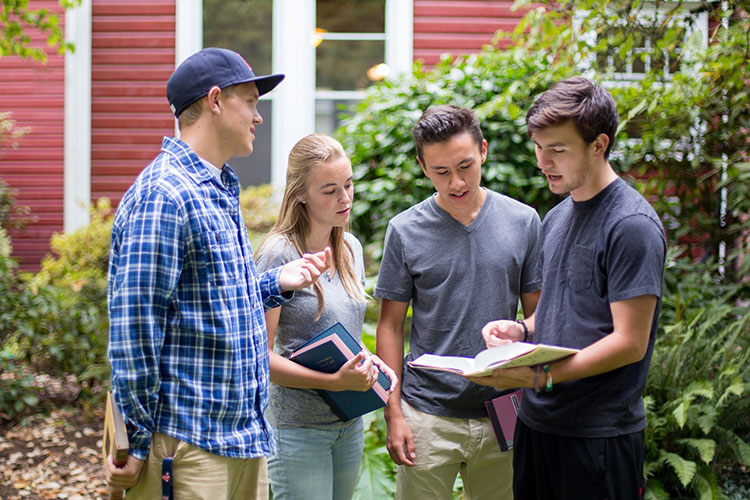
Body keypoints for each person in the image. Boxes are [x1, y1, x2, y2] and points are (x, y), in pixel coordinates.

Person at [104, 47, 332, 500]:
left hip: (241, 442)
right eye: (250, 101)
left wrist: (273, 284)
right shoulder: (165, 195)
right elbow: (135, 330)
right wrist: (134, 439)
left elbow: (209, 301)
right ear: (214, 100)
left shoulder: (217, 186)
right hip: (187, 449)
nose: (258, 116)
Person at [474, 76, 667, 500]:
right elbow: (565, 309)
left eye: (557, 150)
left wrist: (541, 375)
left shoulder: (632, 226)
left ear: (599, 145)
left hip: (598, 435)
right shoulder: (558, 217)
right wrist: (522, 331)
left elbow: (630, 342)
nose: (543, 162)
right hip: (538, 425)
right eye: (539, 147)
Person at [374, 104, 542, 499]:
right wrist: (393, 412)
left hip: (504, 409)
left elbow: (538, 317)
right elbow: (390, 326)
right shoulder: (404, 230)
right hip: (426, 415)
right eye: (441, 172)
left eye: (465, 166)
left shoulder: (523, 221)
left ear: (483, 150)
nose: (456, 183)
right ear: (422, 166)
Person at [254, 133, 397, 500]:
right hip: (298, 429)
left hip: (349, 422)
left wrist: (372, 366)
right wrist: (335, 381)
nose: (345, 198)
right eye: (330, 190)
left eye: (348, 184)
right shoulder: (278, 255)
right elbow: (259, 358)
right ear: (300, 193)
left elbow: (344, 333)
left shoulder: (349, 247)